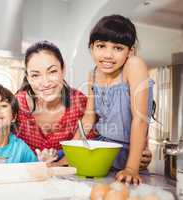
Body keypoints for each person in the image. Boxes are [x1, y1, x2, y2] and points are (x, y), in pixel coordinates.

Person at [15, 41, 152, 168]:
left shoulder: (80, 103)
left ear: (63, 70)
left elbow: (98, 145)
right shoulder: (15, 105)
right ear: (28, 77)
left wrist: (138, 153)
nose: (45, 82)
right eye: (35, 75)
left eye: (52, 72)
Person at [81, 14, 154, 185]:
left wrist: (131, 168)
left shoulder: (134, 65)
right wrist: (73, 146)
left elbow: (140, 120)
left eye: (118, 48)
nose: (108, 55)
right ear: (92, 48)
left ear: (130, 51)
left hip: (129, 155)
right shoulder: (92, 73)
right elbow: (89, 117)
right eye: (101, 46)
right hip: (102, 150)